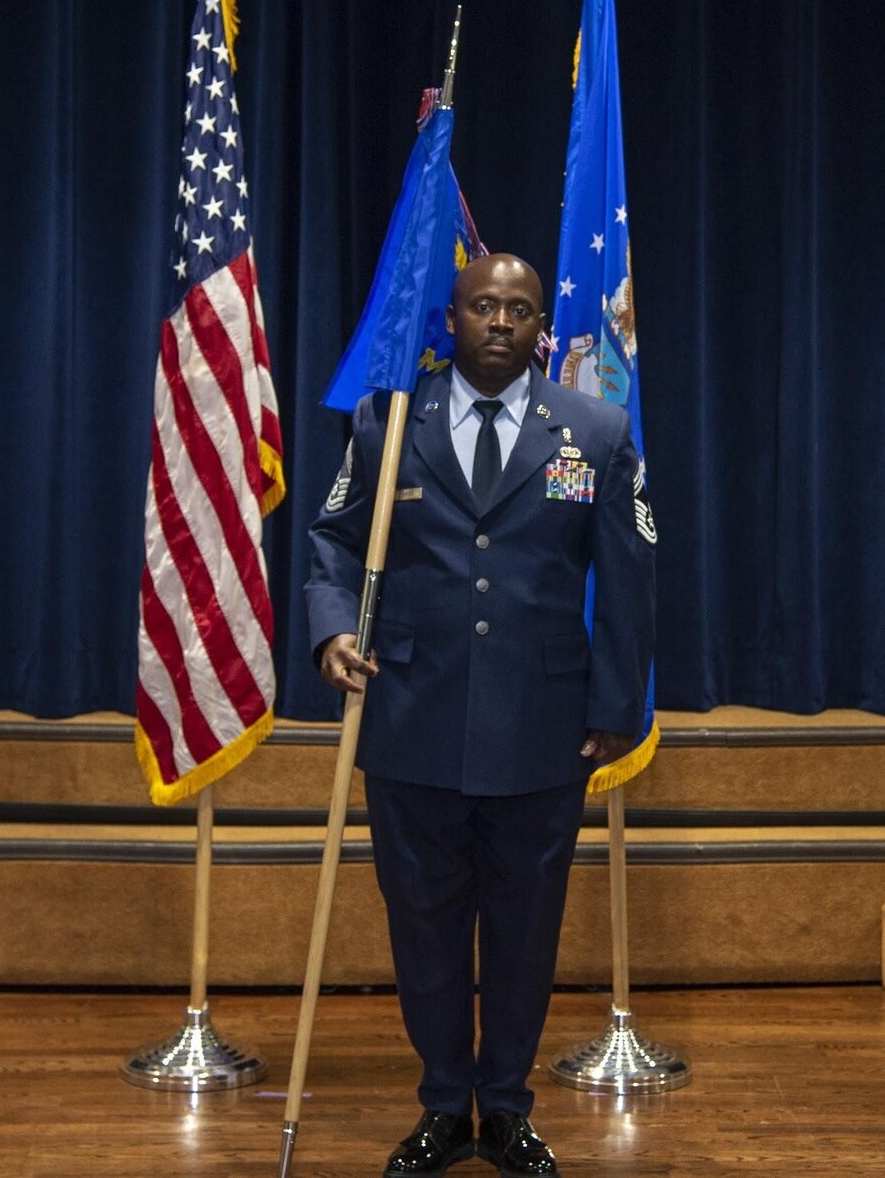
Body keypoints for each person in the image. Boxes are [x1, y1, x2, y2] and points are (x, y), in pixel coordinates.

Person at [307, 253, 655, 1177]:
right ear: (451, 318)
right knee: (421, 924)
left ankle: (504, 1107)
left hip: (544, 730)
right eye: (481, 306)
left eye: (518, 309)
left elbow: (627, 575)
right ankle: (439, 1104)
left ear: (542, 327)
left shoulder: (594, 428)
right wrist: (334, 632)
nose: (498, 321)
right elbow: (334, 543)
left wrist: (618, 707)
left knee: (524, 927)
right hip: (412, 720)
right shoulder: (389, 421)